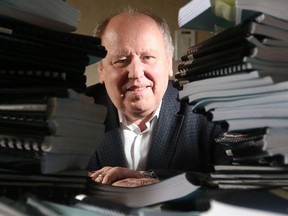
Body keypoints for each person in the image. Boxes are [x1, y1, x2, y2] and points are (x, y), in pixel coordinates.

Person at [86, 7, 226, 187]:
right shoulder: (72, 110)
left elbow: (233, 179)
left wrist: (151, 178)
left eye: (148, 57)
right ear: (101, 71)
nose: (136, 73)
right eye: (121, 60)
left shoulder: (208, 111)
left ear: (169, 64)